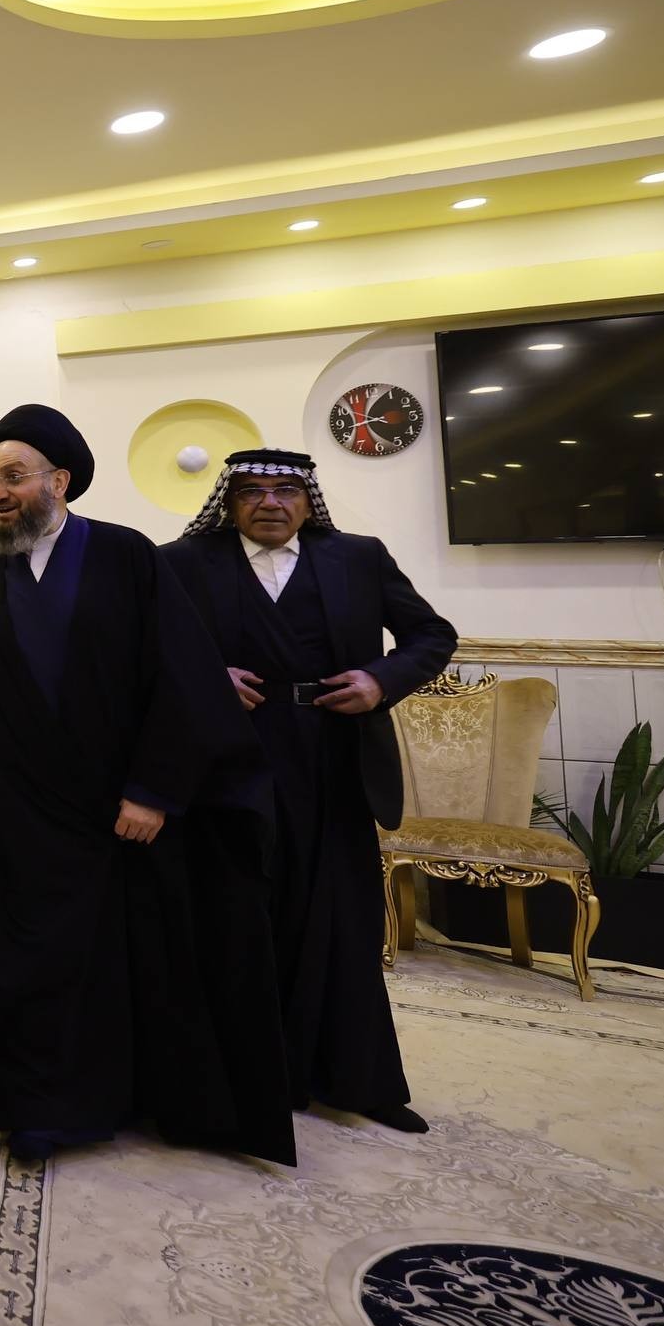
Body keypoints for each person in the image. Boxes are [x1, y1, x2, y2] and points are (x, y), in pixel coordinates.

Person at [0, 405, 293, 1165]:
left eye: (13, 476)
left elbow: (181, 677)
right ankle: (37, 1107)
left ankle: (122, 1097)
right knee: (20, 961)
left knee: (116, 964)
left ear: (60, 480)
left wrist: (154, 789)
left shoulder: (125, 557)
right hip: (8, 815)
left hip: (116, 814)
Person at [163, 449, 456, 1134]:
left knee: (341, 920)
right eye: (252, 491)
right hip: (226, 764)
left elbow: (431, 634)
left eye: (286, 491)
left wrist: (380, 681)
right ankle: (243, 1086)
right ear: (229, 502)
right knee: (237, 915)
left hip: (334, 759)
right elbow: (138, 645)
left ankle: (358, 1080)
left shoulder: (357, 557)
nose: (270, 502)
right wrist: (203, 676)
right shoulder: (183, 562)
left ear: (307, 500)